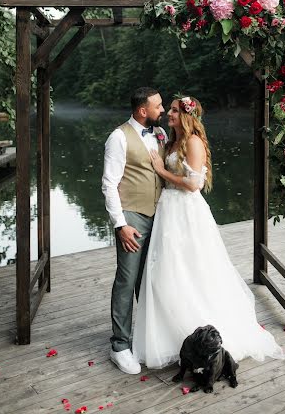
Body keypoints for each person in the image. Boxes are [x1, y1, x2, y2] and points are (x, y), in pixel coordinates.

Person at [132, 96, 285, 369]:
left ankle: (201, 334)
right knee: (166, 272)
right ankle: (172, 336)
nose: (169, 113)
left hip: (186, 213)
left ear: (186, 116)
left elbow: (194, 184)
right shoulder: (170, 140)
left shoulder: (193, 142)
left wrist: (160, 170)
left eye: (175, 110)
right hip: (168, 213)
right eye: (169, 109)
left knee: (192, 269)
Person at [102, 87, 167, 374]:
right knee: (127, 282)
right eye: (158, 106)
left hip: (159, 216)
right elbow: (108, 184)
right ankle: (120, 346)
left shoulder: (159, 135)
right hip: (132, 220)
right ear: (143, 110)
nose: (162, 110)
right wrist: (121, 224)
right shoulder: (118, 137)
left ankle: (147, 338)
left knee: (150, 281)